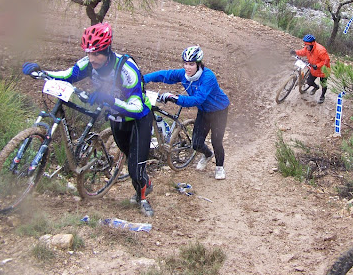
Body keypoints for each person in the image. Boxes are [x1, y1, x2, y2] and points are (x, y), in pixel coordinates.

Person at [21, 23, 155, 216]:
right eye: (88, 53)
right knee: (129, 158)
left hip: (138, 119)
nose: (92, 59)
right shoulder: (88, 63)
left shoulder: (127, 70)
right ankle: (144, 183)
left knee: (135, 166)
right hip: (116, 118)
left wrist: (110, 99)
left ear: (108, 50)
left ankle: (142, 198)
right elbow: (68, 75)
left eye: (97, 54)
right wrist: (42, 73)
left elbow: (137, 107)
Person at [143, 45, 230, 180]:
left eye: (191, 64)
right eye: (185, 63)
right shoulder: (184, 75)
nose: (187, 67)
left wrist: (174, 97)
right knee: (196, 144)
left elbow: (197, 99)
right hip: (204, 111)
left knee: (216, 141)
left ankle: (220, 167)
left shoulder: (208, 77)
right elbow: (165, 75)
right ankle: (208, 155)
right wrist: (143, 79)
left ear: (198, 64)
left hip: (219, 110)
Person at [291, 34, 331, 104]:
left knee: (323, 84)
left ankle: (322, 96)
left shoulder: (320, 50)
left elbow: (326, 60)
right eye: (305, 44)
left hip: (324, 70)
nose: (306, 46)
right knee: (309, 82)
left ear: (312, 44)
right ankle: (316, 87)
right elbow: (303, 52)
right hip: (314, 69)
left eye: (307, 45)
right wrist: (295, 52)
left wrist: (317, 65)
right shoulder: (308, 48)